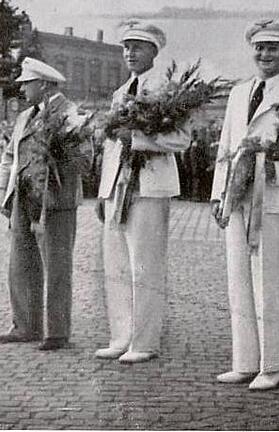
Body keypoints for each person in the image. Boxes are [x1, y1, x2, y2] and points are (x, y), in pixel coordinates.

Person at [210, 20, 279, 390]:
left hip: (272, 200)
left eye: (273, 47)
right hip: (237, 198)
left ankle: (272, 366)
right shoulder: (240, 93)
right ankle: (244, 361)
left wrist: (271, 166)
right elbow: (226, 146)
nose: (265, 54)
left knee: (270, 283)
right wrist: (218, 193)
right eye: (259, 47)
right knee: (238, 280)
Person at [95, 21, 190, 363]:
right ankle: (121, 336)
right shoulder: (122, 92)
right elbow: (111, 146)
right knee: (116, 265)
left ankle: (144, 341)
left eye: (138, 46)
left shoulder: (166, 90)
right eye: (126, 47)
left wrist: (137, 139)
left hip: (149, 187)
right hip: (117, 188)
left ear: (154, 51)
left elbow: (182, 139)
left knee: (144, 266)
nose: (130, 53)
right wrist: (105, 192)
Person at [0, 58, 89, 350]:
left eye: (28, 83)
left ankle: (57, 332)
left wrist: (59, 157)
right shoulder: (26, 116)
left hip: (55, 200)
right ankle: (25, 325)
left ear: (45, 84)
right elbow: (10, 157)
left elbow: (84, 159)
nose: (23, 88)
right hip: (23, 197)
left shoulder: (70, 114)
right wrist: (4, 190)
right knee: (22, 263)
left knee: (56, 265)